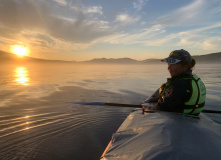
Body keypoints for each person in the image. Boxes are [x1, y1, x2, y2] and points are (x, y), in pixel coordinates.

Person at [143, 49, 206, 115]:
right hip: (191, 114)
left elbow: (165, 106)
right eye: (168, 64)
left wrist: (149, 108)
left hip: (179, 119)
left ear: (185, 66)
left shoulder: (180, 83)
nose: (169, 68)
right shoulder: (194, 80)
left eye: (173, 64)